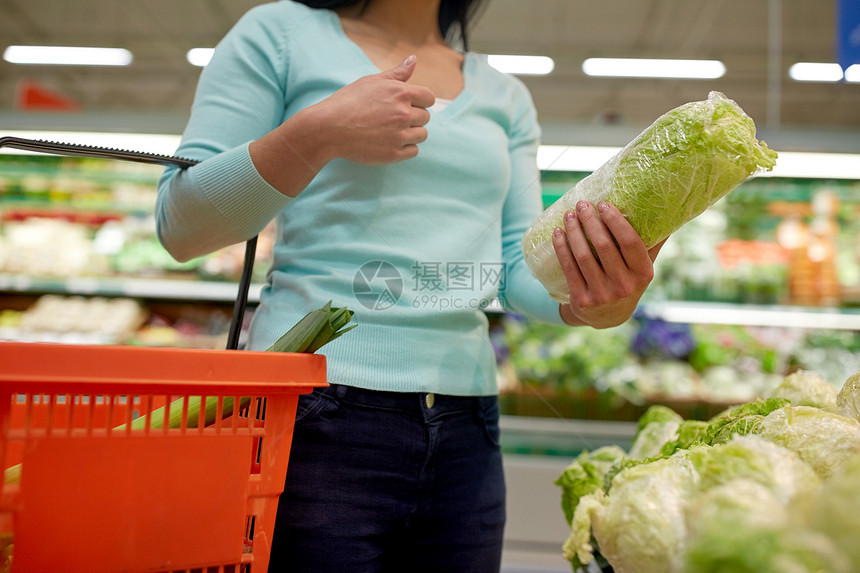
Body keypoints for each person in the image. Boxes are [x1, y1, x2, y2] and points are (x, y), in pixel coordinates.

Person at [155, 0, 663, 571]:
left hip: (467, 429)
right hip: (312, 414)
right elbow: (182, 226)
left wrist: (598, 304)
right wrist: (316, 133)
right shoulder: (279, 34)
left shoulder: (506, 96)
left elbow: (516, 274)